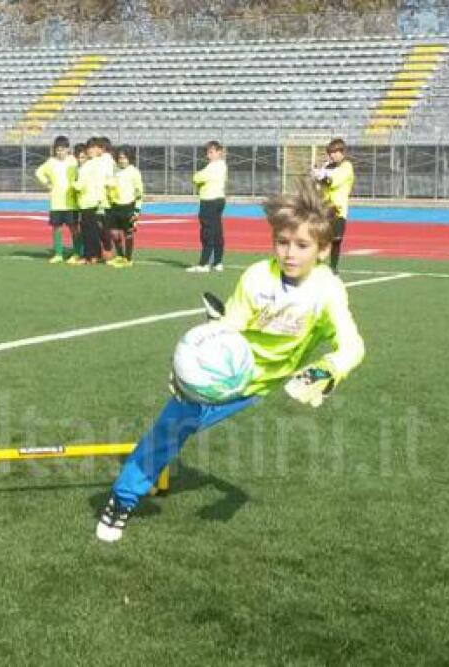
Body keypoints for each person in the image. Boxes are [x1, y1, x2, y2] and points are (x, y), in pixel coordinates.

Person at [96, 180, 365, 542]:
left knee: (175, 425)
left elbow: (352, 345)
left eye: (302, 245)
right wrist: (190, 370)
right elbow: (230, 329)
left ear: (322, 249)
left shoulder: (328, 290)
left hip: (262, 383)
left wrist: (329, 370)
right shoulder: (257, 277)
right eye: (282, 242)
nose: (289, 253)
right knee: (171, 427)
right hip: (228, 374)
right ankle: (122, 500)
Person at [35, 135, 79, 263]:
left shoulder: (73, 161)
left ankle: (77, 253)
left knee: (74, 228)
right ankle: (58, 253)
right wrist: (47, 184)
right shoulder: (50, 162)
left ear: (68, 149)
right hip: (56, 202)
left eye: (63, 149)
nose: (60, 152)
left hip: (71, 202)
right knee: (56, 228)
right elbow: (38, 172)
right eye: (58, 149)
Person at [313, 138, 354, 271]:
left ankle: (333, 268)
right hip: (324, 208)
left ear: (342, 153)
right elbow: (320, 185)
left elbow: (333, 181)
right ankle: (314, 264)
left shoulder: (346, 166)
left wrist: (322, 177)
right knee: (320, 238)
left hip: (338, 209)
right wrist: (317, 177)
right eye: (330, 152)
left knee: (336, 240)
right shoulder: (327, 166)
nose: (332, 155)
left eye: (336, 152)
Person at [188, 140, 228, 272]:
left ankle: (203, 264)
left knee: (207, 233)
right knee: (217, 232)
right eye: (207, 152)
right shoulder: (221, 165)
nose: (208, 155)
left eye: (211, 152)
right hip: (218, 200)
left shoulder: (213, 166)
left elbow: (197, 177)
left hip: (209, 201)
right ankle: (217, 262)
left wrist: (197, 178)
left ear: (219, 152)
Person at [73, 137, 112, 264]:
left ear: (98, 149)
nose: (90, 150)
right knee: (93, 231)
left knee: (89, 231)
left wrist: (72, 184)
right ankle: (95, 255)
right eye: (89, 147)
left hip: (89, 201)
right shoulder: (100, 162)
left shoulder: (91, 164)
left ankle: (89, 256)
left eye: (93, 147)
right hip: (93, 200)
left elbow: (80, 185)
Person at [105, 146, 144, 267]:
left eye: (125, 158)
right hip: (115, 206)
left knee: (128, 233)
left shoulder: (134, 172)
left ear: (130, 159)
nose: (122, 160)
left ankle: (128, 259)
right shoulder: (114, 170)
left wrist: (137, 211)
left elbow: (139, 193)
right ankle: (120, 256)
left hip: (129, 207)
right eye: (120, 158)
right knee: (114, 233)